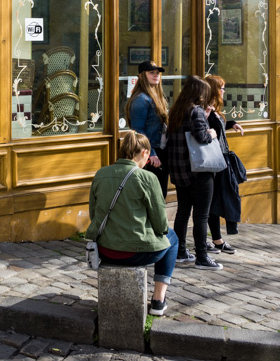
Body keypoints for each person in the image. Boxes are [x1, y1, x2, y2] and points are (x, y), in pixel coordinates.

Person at [87, 132, 179, 316]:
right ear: (145, 153)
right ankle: (158, 300)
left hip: (105, 249)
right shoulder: (147, 178)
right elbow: (161, 225)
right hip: (137, 252)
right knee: (173, 238)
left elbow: (93, 213)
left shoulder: (101, 174)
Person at [165, 75, 223, 270]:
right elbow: (201, 136)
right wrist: (212, 133)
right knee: (201, 216)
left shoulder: (175, 111)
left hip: (179, 171)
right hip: (198, 171)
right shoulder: (195, 110)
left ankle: (180, 251)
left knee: (182, 212)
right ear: (200, 93)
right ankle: (202, 257)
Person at [204, 75, 244, 255]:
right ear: (213, 89)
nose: (223, 91)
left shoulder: (214, 109)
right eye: (221, 87)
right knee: (213, 201)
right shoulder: (205, 110)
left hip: (221, 159)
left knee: (221, 199)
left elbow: (218, 130)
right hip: (213, 161)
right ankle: (215, 240)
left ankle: (216, 239)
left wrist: (232, 124)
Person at [126, 60, 170, 198]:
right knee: (154, 197)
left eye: (157, 73)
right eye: (151, 72)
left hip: (160, 151)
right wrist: (151, 153)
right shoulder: (141, 99)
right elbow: (138, 130)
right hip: (150, 154)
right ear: (141, 76)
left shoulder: (155, 97)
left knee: (160, 195)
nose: (156, 75)